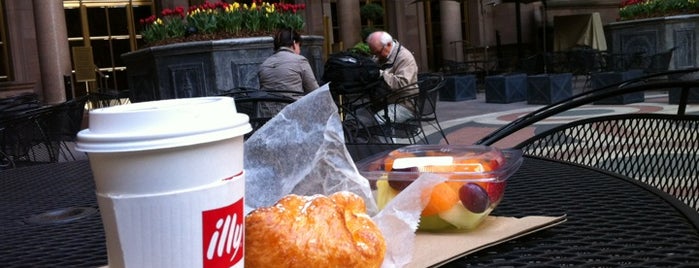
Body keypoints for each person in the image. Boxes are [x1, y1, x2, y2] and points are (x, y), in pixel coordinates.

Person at [257, 28, 319, 115]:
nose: (299, 50)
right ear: (294, 43)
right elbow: (314, 92)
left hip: (268, 118)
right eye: (299, 45)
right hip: (294, 117)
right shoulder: (300, 61)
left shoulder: (264, 65)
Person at [365, 31, 419, 125]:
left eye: (378, 52)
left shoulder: (404, 57)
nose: (376, 56)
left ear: (389, 44)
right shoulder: (380, 57)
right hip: (384, 101)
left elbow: (402, 83)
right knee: (359, 115)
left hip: (404, 104)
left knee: (378, 119)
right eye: (373, 53)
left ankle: (387, 139)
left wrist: (381, 74)